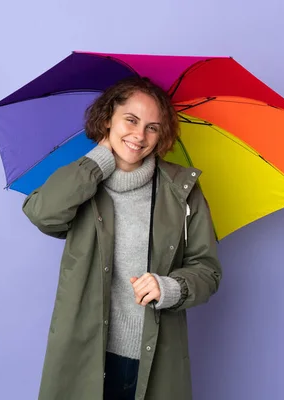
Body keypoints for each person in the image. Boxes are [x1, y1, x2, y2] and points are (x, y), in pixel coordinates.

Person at [22, 76, 222, 400]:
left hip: (154, 358)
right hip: (86, 353)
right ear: (107, 118)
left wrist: (169, 287)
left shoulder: (182, 190)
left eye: (153, 127)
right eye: (131, 120)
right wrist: (97, 162)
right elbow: (42, 214)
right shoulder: (82, 181)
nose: (139, 135)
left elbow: (207, 270)